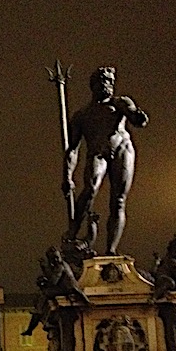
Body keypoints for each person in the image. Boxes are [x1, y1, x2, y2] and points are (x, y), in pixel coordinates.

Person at [62, 66, 149, 255]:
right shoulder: (82, 115)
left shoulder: (120, 103)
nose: (107, 85)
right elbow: (72, 150)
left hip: (121, 150)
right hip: (97, 153)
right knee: (90, 189)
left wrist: (138, 117)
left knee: (118, 200)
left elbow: (134, 116)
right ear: (93, 86)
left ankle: (111, 250)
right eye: (102, 82)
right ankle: (73, 231)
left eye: (110, 81)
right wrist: (67, 176)